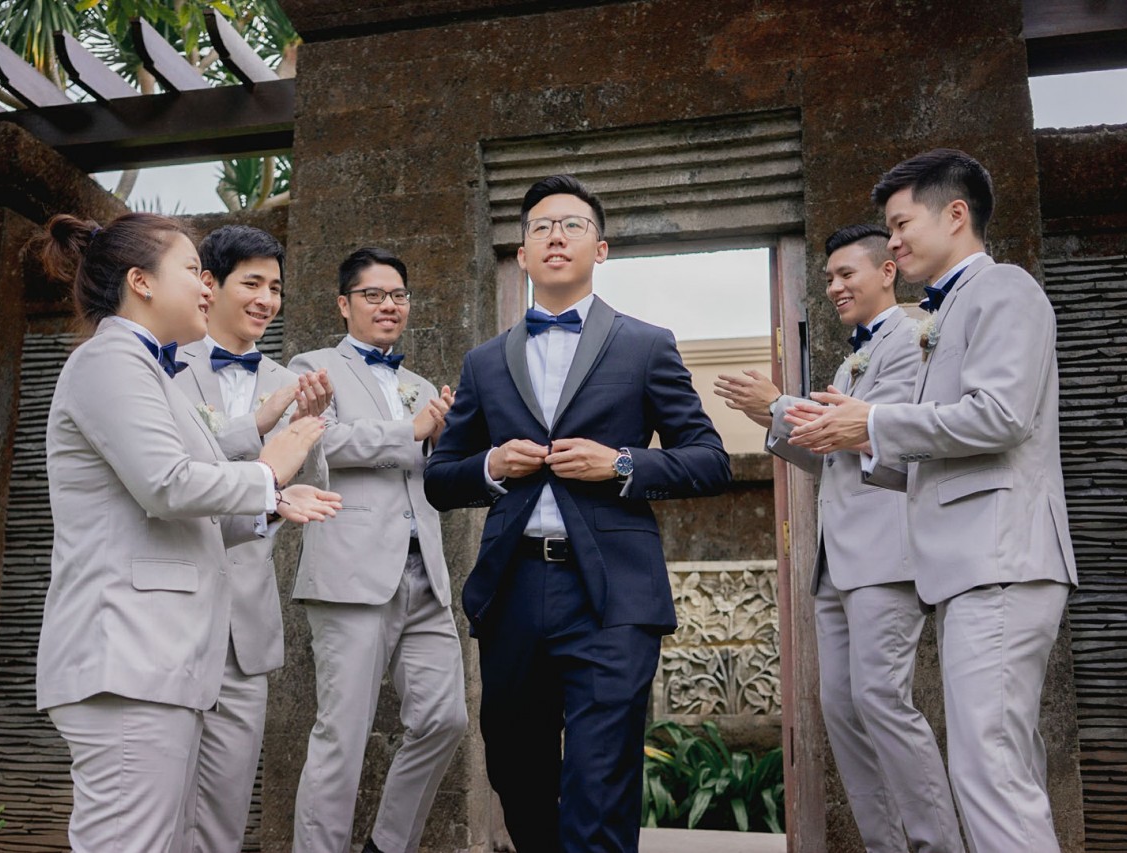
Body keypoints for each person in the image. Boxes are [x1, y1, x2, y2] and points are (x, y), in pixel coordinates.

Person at [424, 175, 731, 853]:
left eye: (572, 225)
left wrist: (619, 464)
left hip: (613, 593)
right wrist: (491, 465)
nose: (555, 236)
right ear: (522, 255)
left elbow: (709, 460)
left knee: (600, 780)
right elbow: (440, 479)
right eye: (540, 227)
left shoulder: (646, 345)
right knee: (516, 769)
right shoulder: (484, 362)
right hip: (513, 589)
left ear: (601, 249)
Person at [785, 149, 1079, 853]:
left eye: (900, 224)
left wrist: (874, 424)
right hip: (970, 566)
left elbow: (1001, 415)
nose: (893, 242)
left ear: (955, 214)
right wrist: (859, 434)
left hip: (1000, 555)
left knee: (989, 771)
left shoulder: (1004, 288)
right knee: (995, 765)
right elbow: (929, 454)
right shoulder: (945, 313)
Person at [34, 212, 341, 853]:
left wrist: (272, 503)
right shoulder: (109, 361)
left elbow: (181, 508)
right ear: (141, 282)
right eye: (192, 271)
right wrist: (268, 470)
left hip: (159, 661)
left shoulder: (148, 370)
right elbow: (168, 484)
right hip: (128, 657)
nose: (205, 286)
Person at [715, 224, 963, 853]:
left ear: (887, 271)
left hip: (885, 555)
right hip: (836, 561)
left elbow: (883, 438)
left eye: (846, 274)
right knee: (843, 711)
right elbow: (831, 453)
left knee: (882, 700)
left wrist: (780, 404)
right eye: (828, 278)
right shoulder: (851, 360)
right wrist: (772, 417)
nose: (833, 287)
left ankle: (938, 845)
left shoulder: (913, 340)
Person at [288, 247, 467, 853]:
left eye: (398, 295)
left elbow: (430, 472)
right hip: (350, 575)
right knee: (341, 736)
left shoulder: (421, 387)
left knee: (445, 719)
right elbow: (318, 441)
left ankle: (387, 846)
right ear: (344, 304)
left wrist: (444, 440)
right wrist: (411, 431)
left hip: (425, 576)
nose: (389, 305)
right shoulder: (311, 367)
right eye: (373, 295)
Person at [173, 225, 332, 852]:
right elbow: (174, 478)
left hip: (246, 623)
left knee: (226, 809)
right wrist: (257, 432)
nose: (267, 300)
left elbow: (312, 485)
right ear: (209, 285)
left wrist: (309, 427)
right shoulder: (163, 365)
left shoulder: (291, 381)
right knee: (157, 803)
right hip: (172, 614)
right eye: (253, 284)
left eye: (276, 288)